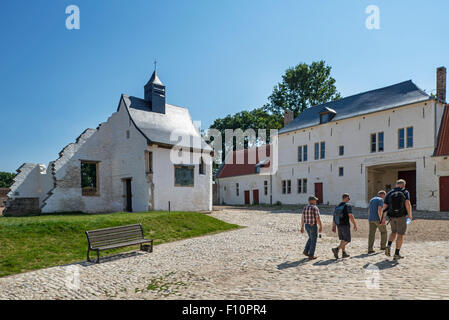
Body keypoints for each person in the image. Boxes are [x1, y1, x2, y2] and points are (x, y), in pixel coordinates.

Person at [383, 179, 413, 260]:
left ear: (396, 184)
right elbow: (407, 203)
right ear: (404, 185)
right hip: (401, 216)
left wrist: (383, 217)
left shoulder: (390, 192)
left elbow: (385, 205)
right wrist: (410, 215)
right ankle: (396, 254)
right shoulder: (405, 192)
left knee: (393, 232)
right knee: (400, 234)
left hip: (392, 216)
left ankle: (388, 245)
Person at [331, 193, 357, 259]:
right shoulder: (347, 206)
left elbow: (334, 216)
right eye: (348, 198)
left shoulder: (337, 206)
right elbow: (350, 215)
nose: (349, 199)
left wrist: (333, 226)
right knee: (347, 240)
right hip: (345, 224)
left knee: (343, 239)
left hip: (338, 224)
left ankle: (343, 253)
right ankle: (336, 249)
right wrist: (355, 224)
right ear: (345, 198)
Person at [300, 196, 323, 261]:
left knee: (310, 238)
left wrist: (302, 227)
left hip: (306, 225)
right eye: (315, 200)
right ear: (311, 201)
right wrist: (320, 226)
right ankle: (311, 255)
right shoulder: (315, 208)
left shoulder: (305, 208)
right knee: (313, 240)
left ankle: (306, 251)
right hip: (313, 225)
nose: (316, 201)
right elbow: (317, 218)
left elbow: (302, 218)